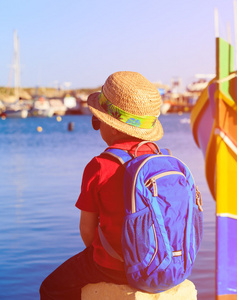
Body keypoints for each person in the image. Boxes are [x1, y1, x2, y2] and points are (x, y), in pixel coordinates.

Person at [40, 71, 164, 299]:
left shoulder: (100, 166)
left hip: (117, 268)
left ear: (113, 126)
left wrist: (108, 257)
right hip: (163, 264)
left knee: (51, 287)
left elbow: (87, 231)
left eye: (97, 121)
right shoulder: (162, 158)